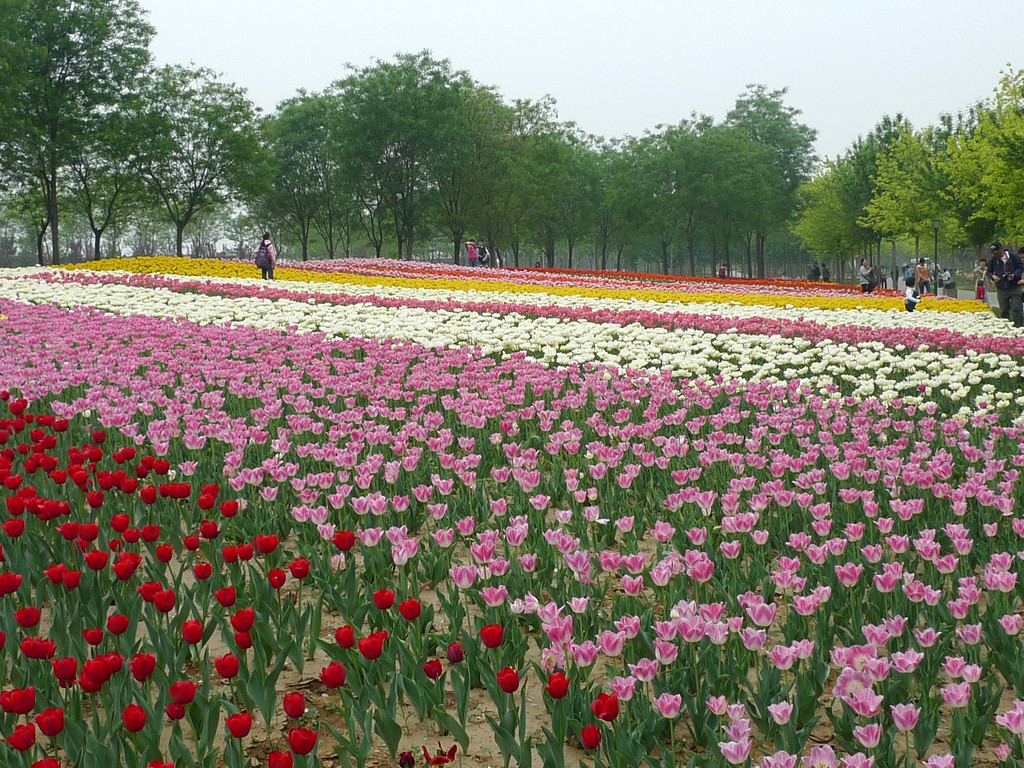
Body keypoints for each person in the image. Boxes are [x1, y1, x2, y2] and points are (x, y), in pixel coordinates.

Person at [988, 243, 1024, 327]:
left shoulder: (1013, 257)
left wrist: (1014, 275)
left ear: (1001, 249)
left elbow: (1021, 267)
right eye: (994, 252)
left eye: (997, 252)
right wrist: (993, 276)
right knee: (1004, 310)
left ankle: (1018, 328)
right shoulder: (993, 260)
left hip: (1015, 287)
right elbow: (989, 272)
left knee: (1016, 309)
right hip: (1002, 289)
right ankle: (1006, 329)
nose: (995, 254)